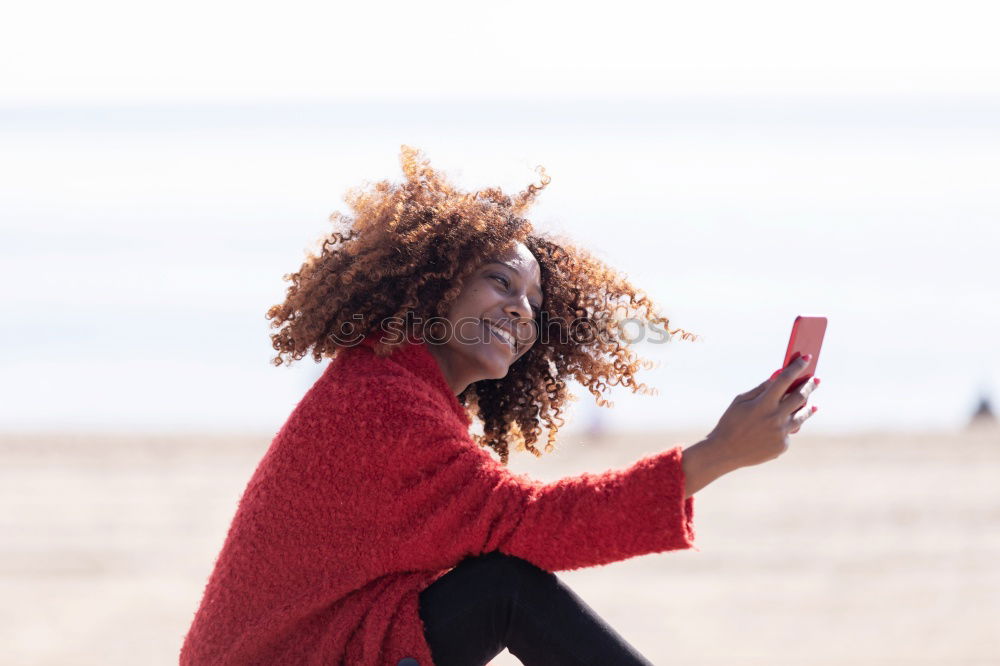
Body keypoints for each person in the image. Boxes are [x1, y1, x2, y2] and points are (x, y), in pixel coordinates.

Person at [179, 146, 821, 666]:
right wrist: (717, 455)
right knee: (504, 588)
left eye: (535, 306)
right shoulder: (381, 404)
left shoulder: (397, 386)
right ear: (433, 285)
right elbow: (538, 523)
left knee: (495, 583)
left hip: (342, 644)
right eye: (499, 280)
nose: (520, 309)